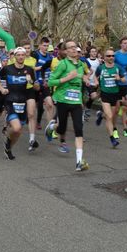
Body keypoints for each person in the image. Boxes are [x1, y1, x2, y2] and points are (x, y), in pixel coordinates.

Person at [47, 40, 90, 171]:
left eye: (74, 47)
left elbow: (84, 75)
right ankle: (52, 127)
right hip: (63, 100)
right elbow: (50, 82)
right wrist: (67, 78)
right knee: (62, 128)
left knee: (79, 129)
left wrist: (85, 79)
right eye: (70, 48)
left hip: (76, 101)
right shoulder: (62, 65)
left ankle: (79, 162)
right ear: (65, 51)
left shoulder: (81, 65)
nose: (73, 49)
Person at [0, 47, 34, 159]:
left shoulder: (29, 70)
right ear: (14, 56)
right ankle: (8, 134)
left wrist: (31, 81)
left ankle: (8, 147)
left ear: (25, 56)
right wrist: (2, 89)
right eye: (18, 55)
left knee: (18, 132)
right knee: (17, 128)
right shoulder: (7, 69)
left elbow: (35, 85)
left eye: (22, 55)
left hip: (23, 102)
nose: (20, 57)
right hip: (10, 101)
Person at [94, 48, 126, 148]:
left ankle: (100, 115)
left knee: (110, 116)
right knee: (110, 116)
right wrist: (96, 82)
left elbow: (125, 79)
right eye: (108, 56)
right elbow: (96, 76)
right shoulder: (101, 68)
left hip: (115, 94)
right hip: (105, 94)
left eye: (112, 56)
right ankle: (112, 139)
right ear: (104, 58)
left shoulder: (118, 67)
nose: (111, 57)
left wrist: (119, 79)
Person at [32, 37, 55, 130]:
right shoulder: (35, 55)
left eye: (47, 46)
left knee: (49, 104)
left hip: (44, 84)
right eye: (44, 45)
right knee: (36, 107)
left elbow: (52, 70)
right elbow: (31, 68)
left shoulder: (50, 57)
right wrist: (42, 67)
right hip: (35, 85)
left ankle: (49, 128)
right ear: (40, 45)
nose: (46, 47)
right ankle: (33, 121)